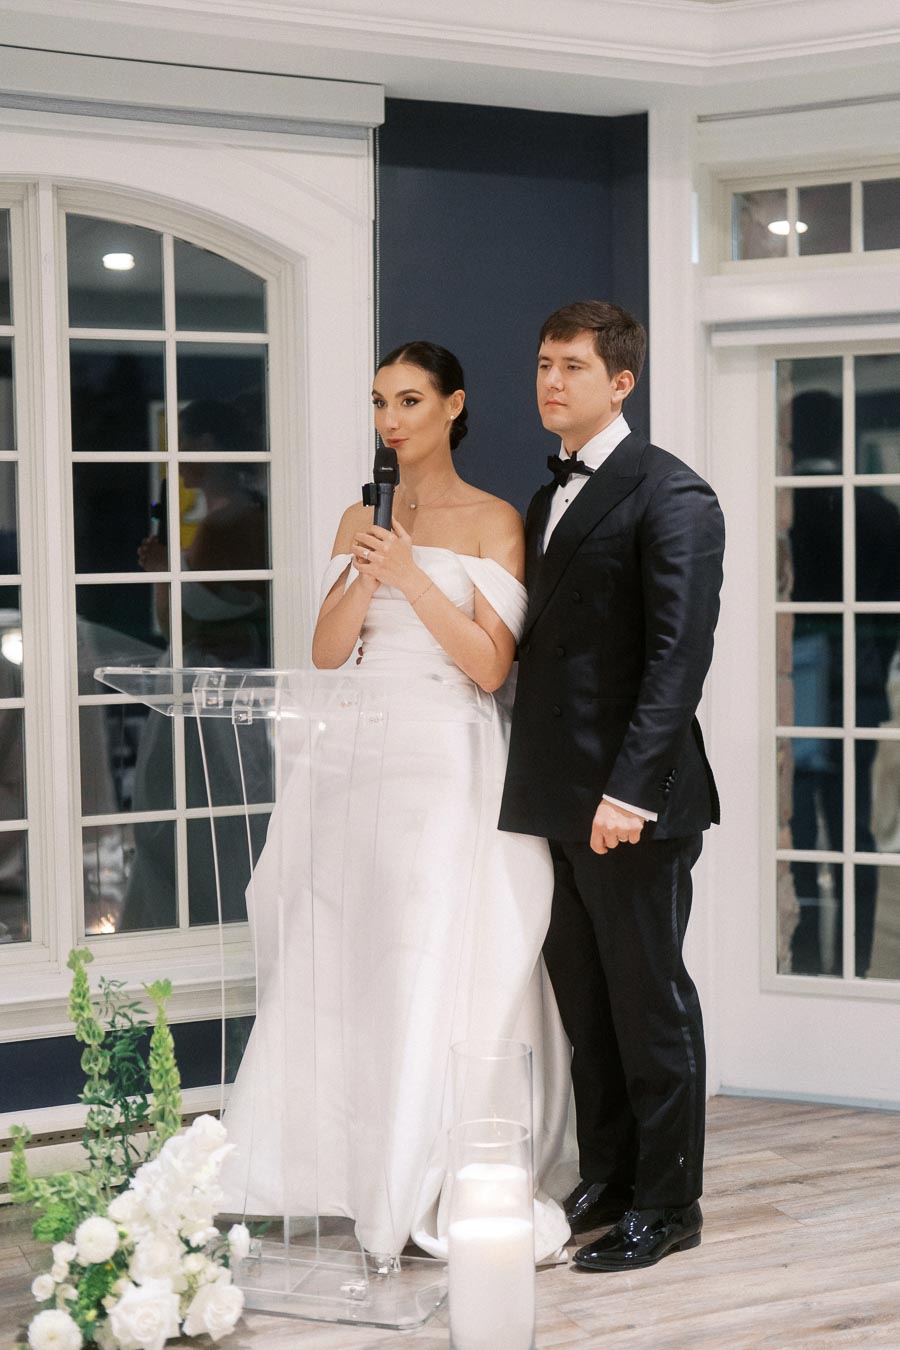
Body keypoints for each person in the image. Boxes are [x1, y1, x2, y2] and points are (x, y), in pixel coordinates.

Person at [220, 341, 574, 1262]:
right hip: (356, 756)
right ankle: (334, 1163)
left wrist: (415, 576)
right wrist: (368, 571)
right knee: (349, 949)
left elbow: (490, 666)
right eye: (380, 402)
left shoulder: (495, 520)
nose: (390, 420)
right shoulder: (360, 514)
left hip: (443, 758)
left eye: (410, 400)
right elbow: (328, 651)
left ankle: (421, 1163)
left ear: (453, 407)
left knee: (426, 946)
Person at [499, 301, 725, 1272]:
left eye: (574, 367)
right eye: (544, 364)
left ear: (622, 381)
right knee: (586, 1007)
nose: (552, 382)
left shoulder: (673, 493)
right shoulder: (543, 496)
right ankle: (611, 1176)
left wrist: (628, 795)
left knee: (649, 1003)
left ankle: (670, 1204)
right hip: (555, 795)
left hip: (634, 803)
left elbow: (678, 660)